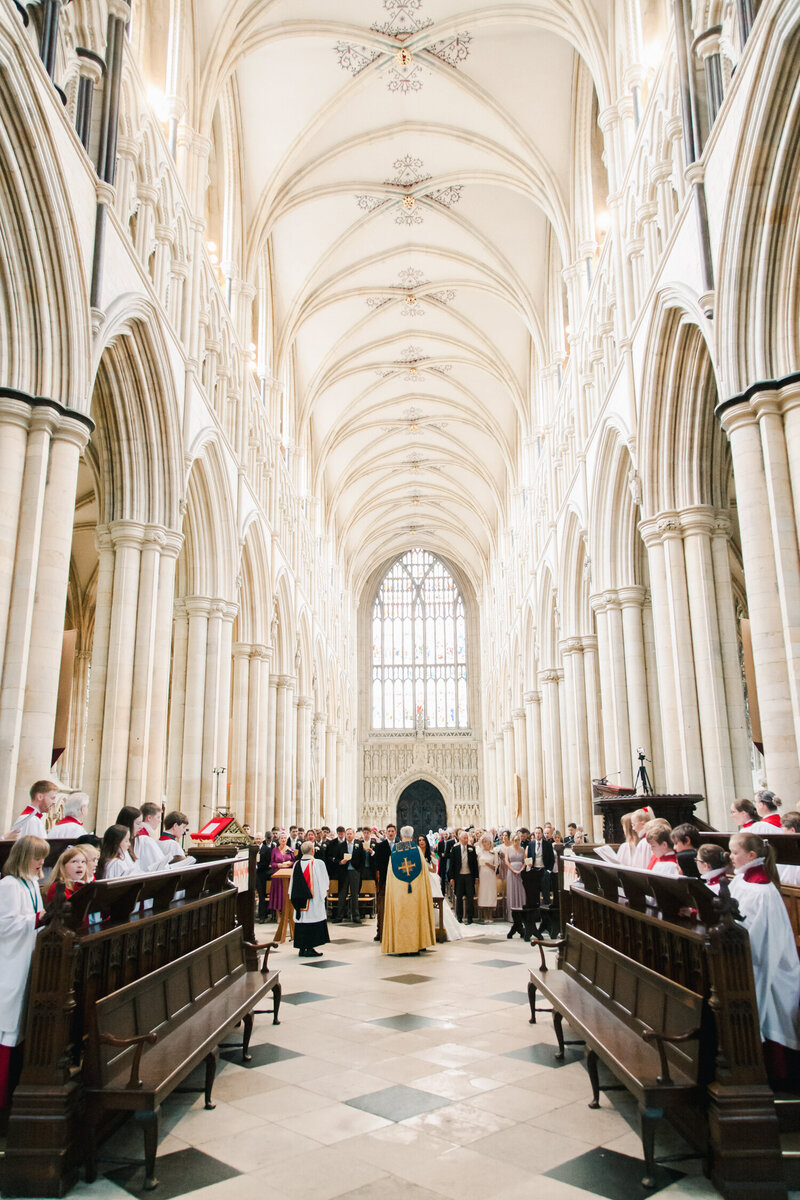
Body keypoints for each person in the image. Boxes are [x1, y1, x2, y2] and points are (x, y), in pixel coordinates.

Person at [729, 832, 800, 1080]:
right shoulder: (742, 880)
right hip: (755, 954)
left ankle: (775, 1074)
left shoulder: (761, 888)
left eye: (735, 853)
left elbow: (758, 934)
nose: (730, 857)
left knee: (767, 1005)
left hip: (769, 961)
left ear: (751, 855)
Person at [0, 836, 48, 1110]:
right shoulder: (9, 885)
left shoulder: (31, 883)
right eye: (37, 856)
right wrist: (38, 919)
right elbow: (5, 926)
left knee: (21, 1028)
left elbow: (37, 913)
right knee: (7, 1030)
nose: (42, 862)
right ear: (21, 857)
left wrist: (41, 918)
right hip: (10, 964)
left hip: (28, 959)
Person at [381, 825, 436, 955]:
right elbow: (424, 873)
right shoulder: (417, 850)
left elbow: (390, 874)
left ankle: (401, 946)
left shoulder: (395, 851)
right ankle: (417, 944)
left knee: (401, 915)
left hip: (399, 892)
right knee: (416, 915)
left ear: (400, 836)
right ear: (412, 836)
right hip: (416, 891)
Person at [290, 841, 330, 958]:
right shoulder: (318, 863)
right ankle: (310, 947)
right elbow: (325, 881)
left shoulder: (296, 864)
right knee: (312, 920)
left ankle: (302, 948)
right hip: (313, 900)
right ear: (312, 850)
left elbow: (292, 883)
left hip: (299, 900)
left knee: (302, 921)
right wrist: (323, 894)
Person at [422, 836, 462, 942]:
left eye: (423, 840)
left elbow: (434, 870)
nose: (421, 842)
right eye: (419, 841)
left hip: (429, 878)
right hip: (420, 879)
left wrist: (426, 868)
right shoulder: (416, 854)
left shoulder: (430, 854)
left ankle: (438, 925)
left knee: (435, 901)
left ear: (426, 842)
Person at [334, 828, 365, 925]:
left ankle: (356, 916)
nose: (349, 835)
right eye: (347, 834)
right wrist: (340, 862)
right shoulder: (341, 845)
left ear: (354, 834)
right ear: (345, 835)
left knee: (355, 894)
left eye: (351, 834)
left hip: (354, 871)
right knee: (342, 894)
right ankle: (340, 916)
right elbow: (335, 858)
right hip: (344, 872)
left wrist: (358, 870)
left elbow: (362, 858)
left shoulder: (359, 845)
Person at [447, 830, 479, 924]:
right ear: (460, 839)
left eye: (467, 838)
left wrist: (476, 877)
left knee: (470, 897)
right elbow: (452, 865)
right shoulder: (455, 849)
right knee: (459, 897)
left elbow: (474, 864)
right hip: (459, 876)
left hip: (469, 876)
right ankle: (459, 917)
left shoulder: (472, 849)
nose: (466, 840)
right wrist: (451, 877)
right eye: (464, 838)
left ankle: (470, 917)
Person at [373, 823, 397, 942]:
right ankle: (380, 931)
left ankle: (395, 930)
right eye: (389, 831)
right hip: (384, 879)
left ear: (395, 833)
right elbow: (376, 863)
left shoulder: (400, 845)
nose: (391, 833)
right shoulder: (380, 846)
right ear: (386, 833)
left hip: (397, 880)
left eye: (393, 831)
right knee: (381, 906)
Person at [135, 802, 168, 872]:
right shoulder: (145, 838)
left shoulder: (140, 834)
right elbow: (156, 862)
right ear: (149, 818)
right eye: (158, 817)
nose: (160, 821)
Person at [505, 832, 527, 938]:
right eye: (514, 840)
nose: (516, 842)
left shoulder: (522, 849)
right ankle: (516, 922)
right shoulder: (508, 849)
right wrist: (513, 869)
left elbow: (525, 861)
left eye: (518, 840)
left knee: (521, 892)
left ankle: (519, 921)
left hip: (520, 873)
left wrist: (522, 869)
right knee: (513, 892)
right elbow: (506, 861)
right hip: (512, 873)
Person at [269, 834, 295, 918]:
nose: (283, 840)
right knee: (277, 894)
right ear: (279, 840)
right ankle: (278, 915)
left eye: (284, 838)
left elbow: (294, 861)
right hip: (277, 875)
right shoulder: (275, 850)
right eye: (281, 838)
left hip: (287, 875)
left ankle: (287, 914)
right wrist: (278, 865)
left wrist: (289, 863)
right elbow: (272, 863)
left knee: (286, 894)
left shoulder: (290, 850)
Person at [476, 833, 498, 923]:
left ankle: (490, 916)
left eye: (486, 842)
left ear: (489, 843)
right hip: (482, 875)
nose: (484, 844)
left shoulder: (494, 852)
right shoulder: (480, 853)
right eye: (483, 842)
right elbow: (477, 865)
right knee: (484, 894)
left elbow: (496, 866)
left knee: (490, 894)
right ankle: (485, 916)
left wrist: (489, 865)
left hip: (491, 875)